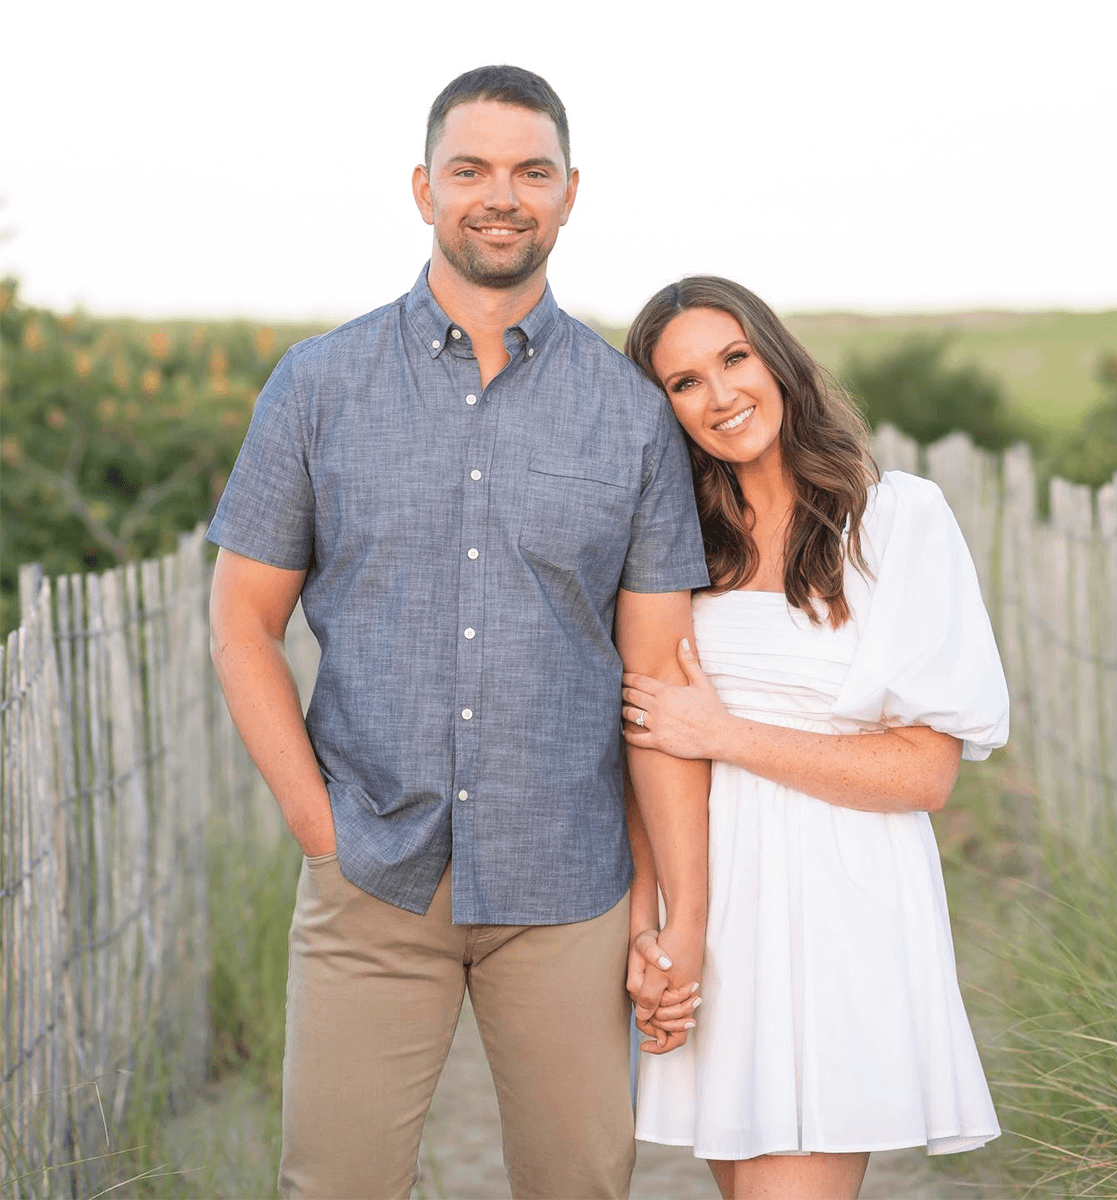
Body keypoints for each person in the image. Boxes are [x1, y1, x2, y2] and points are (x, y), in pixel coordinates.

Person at [206, 66, 711, 1200]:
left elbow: (657, 681)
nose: (503, 194)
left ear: (571, 193)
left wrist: (675, 908)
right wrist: (319, 826)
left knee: (582, 1187)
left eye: (532, 171)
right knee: (334, 1187)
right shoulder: (317, 386)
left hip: (571, 889)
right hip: (372, 876)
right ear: (423, 187)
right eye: (472, 168)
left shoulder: (631, 417)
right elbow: (242, 625)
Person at [619, 277, 1009, 1200]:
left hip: (844, 902)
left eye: (733, 359)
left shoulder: (896, 520)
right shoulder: (677, 544)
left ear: (778, 359)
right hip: (713, 904)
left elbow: (924, 773)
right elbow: (645, 746)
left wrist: (726, 732)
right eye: (683, 383)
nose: (718, 397)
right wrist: (657, 926)